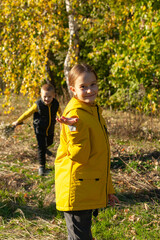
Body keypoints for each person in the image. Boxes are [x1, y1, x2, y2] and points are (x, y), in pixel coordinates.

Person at [55, 63, 119, 240]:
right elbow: (79, 156)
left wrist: (108, 190)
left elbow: (100, 158)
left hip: (87, 185)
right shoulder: (75, 114)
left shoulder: (93, 112)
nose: (90, 90)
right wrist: (75, 131)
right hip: (76, 189)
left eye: (93, 84)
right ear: (73, 90)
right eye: (83, 87)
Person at [12, 83, 78, 176]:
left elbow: (59, 111)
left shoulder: (55, 103)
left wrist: (62, 119)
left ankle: (45, 148)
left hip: (50, 128)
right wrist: (17, 121)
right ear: (41, 95)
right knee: (41, 147)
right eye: (44, 97)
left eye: (49, 97)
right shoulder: (37, 105)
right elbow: (27, 113)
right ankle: (42, 168)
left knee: (50, 142)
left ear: (54, 96)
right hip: (40, 129)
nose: (47, 99)